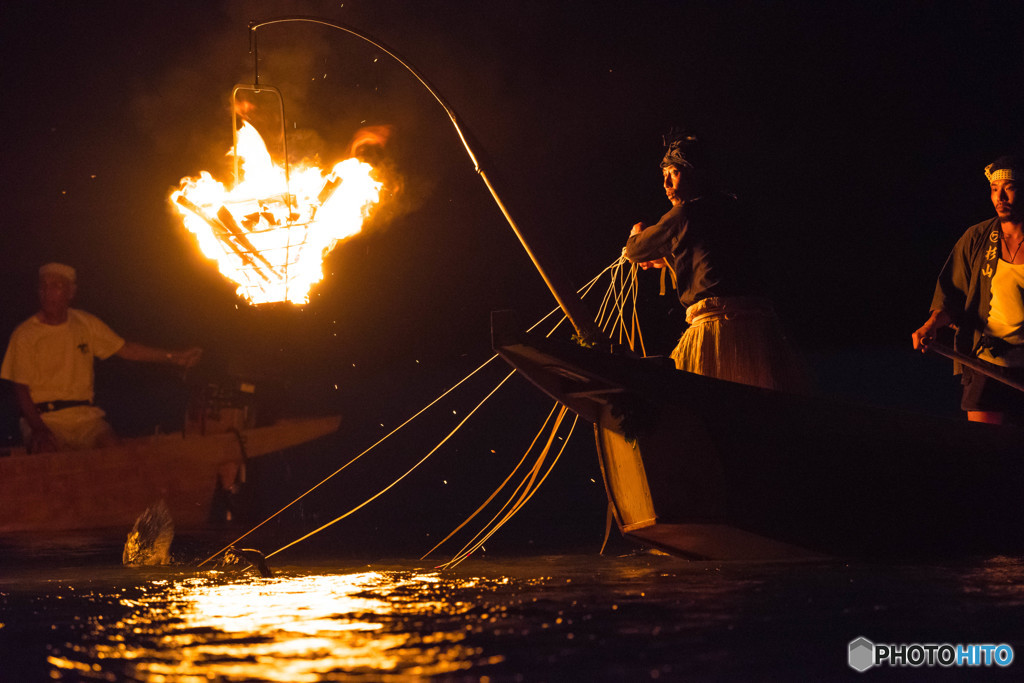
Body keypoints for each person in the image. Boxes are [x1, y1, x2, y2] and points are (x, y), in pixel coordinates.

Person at [622, 130, 802, 391]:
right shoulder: (733, 209)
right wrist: (672, 259)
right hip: (761, 337)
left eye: (673, 173)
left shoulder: (684, 213)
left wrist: (636, 235)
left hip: (717, 330)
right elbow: (716, 260)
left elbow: (636, 251)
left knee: (697, 398)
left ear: (694, 172)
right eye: (664, 177)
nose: (666, 185)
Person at [0, 263, 203, 452]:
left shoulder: (85, 323)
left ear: (71, 292)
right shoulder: (26, 333)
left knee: (114, 453)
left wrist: (174, 357)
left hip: (85, 417)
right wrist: (39, 428)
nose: (47, 293)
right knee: (49, 455)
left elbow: (127, 350)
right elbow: (20, 388)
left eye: (56, 286)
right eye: (43, 287)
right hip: (45, 417)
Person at [913, 155, 1024, 425]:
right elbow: (951, 295)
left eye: (1008, 187)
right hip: (984, 360)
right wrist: (931, 325)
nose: (1000, 197)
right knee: (984, 451)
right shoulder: (977, 237)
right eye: (994, 190)